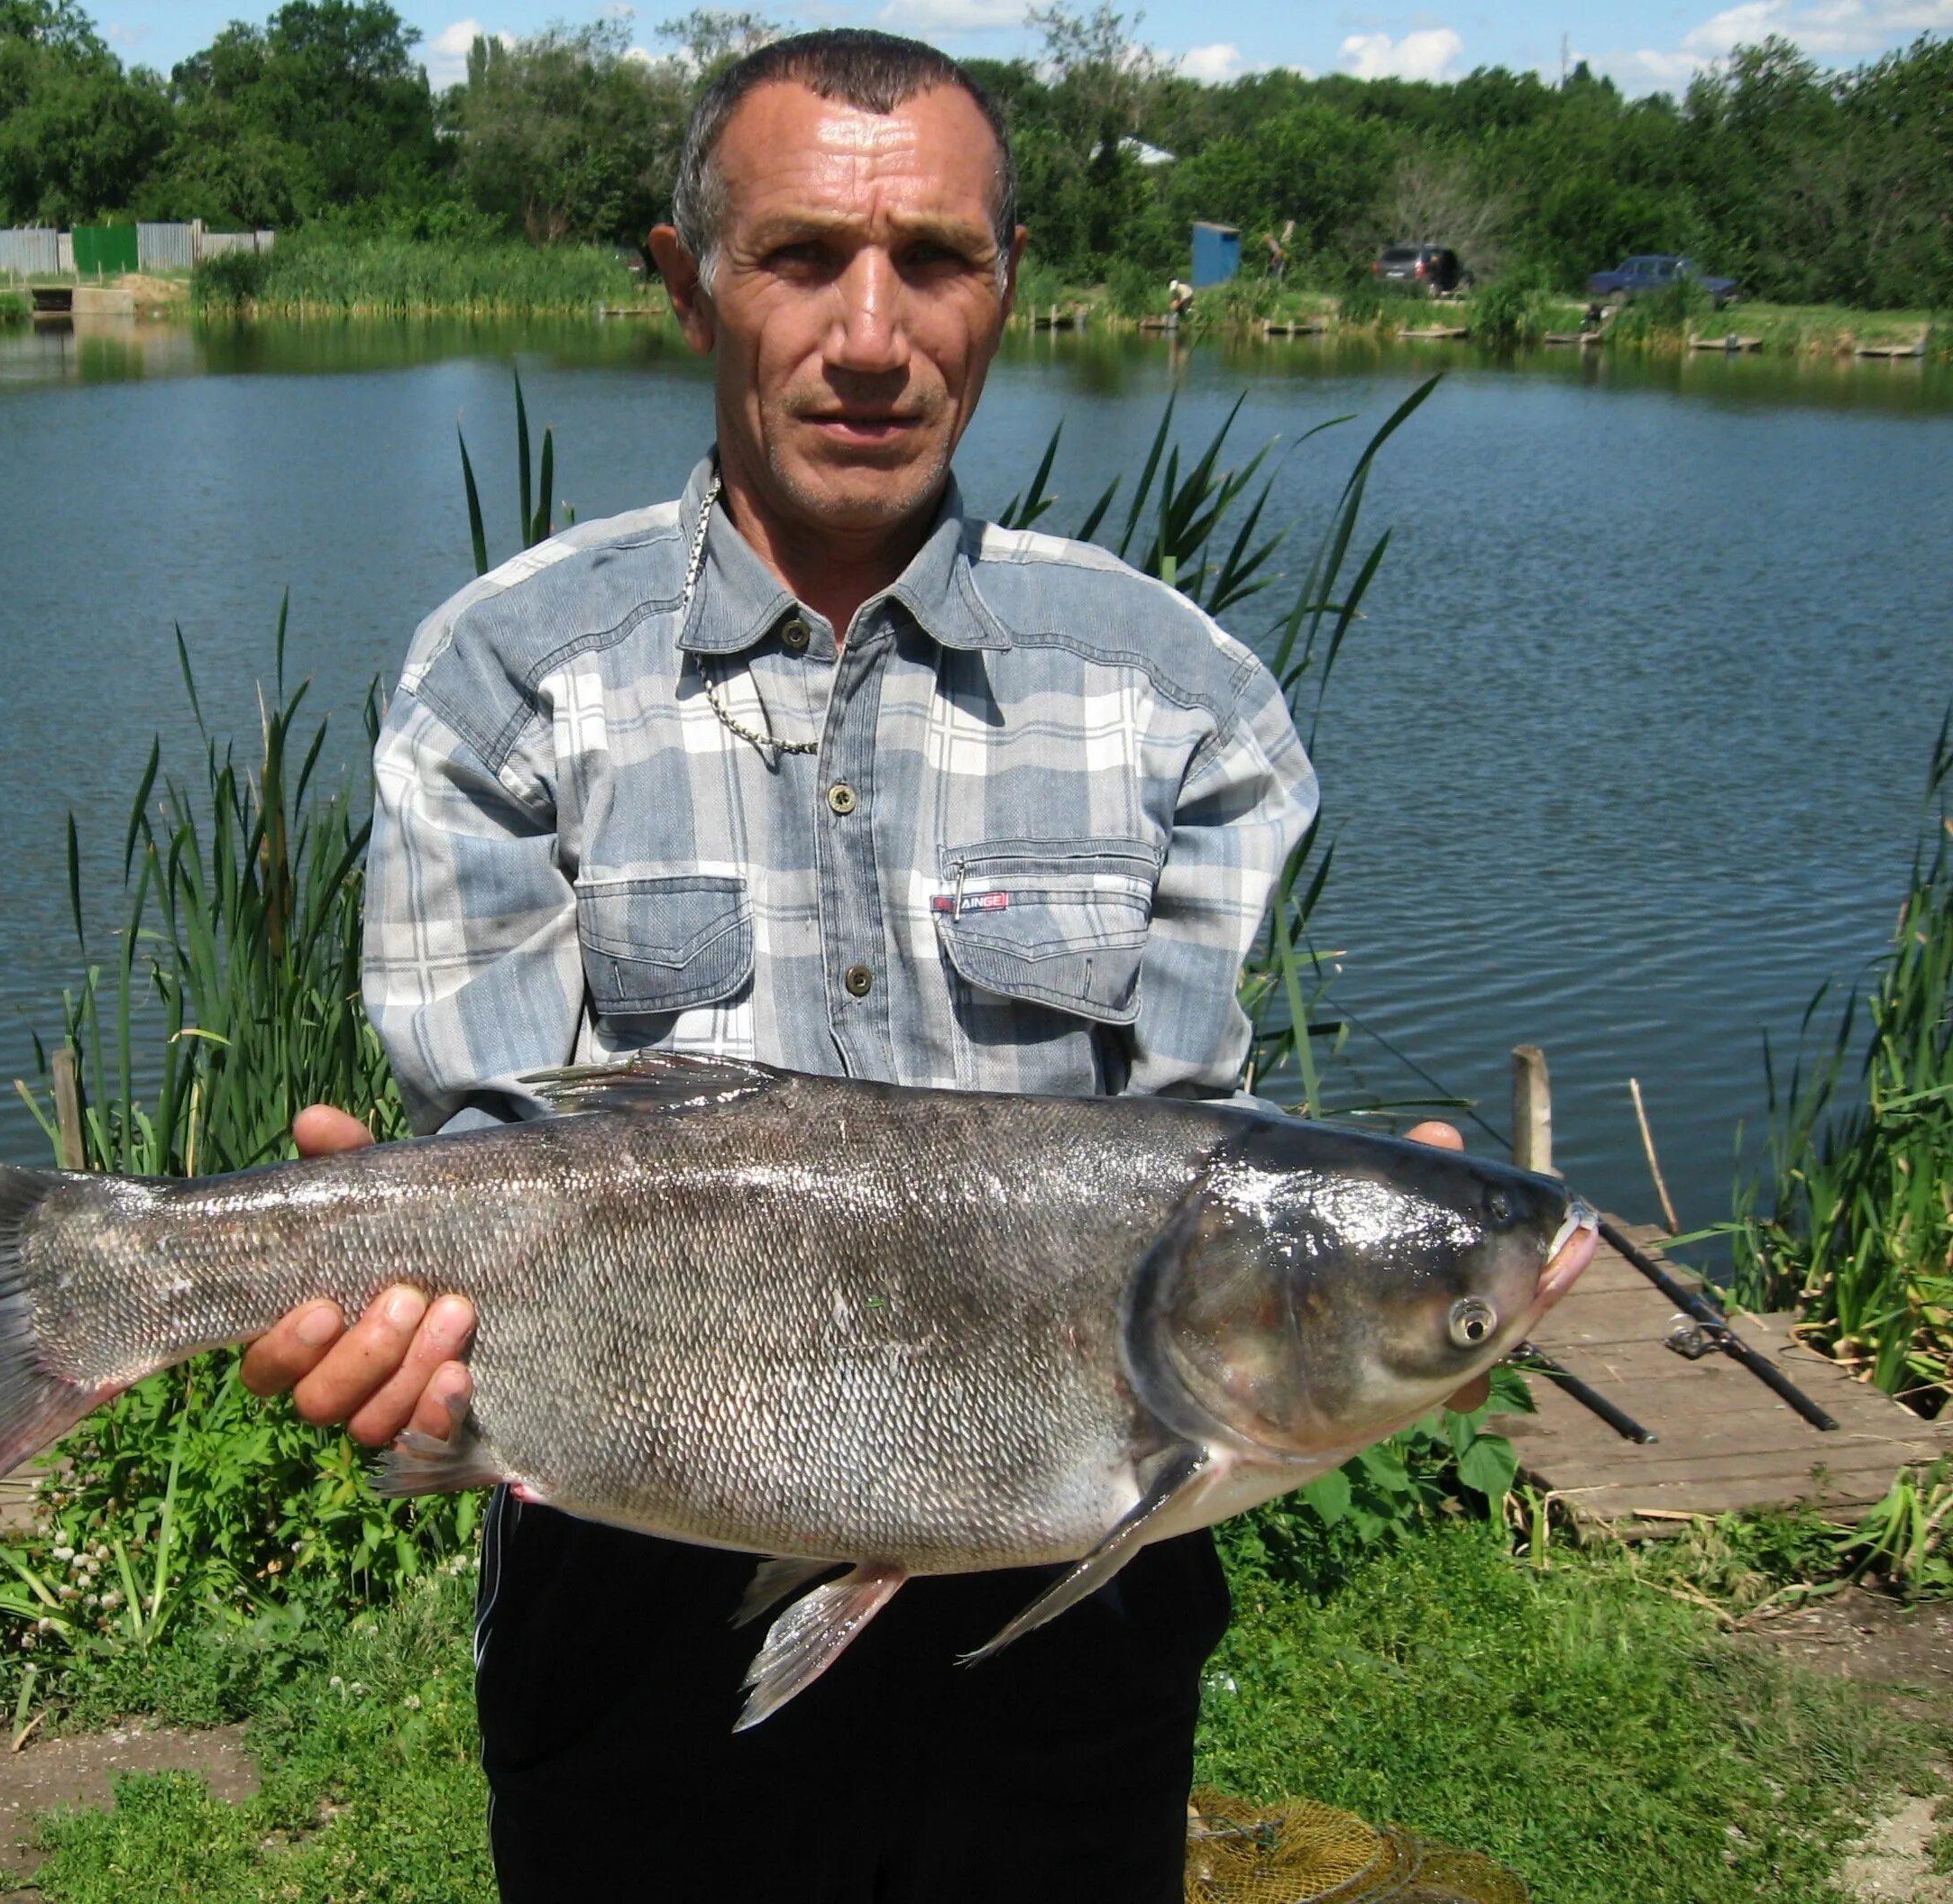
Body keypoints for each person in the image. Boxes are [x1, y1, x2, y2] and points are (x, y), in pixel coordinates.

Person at [234, 29, 1507, 1899]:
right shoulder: (500, 679)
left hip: (1071, 1594)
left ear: (1005, 290)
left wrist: (1343, 1262)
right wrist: (367, 1305)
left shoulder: (1183, 698)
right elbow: (490, 1152)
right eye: (801, 256)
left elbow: (1176, 1159)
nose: (869, 332)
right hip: (634, 1559)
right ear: (688, 289)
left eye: (933, 259)